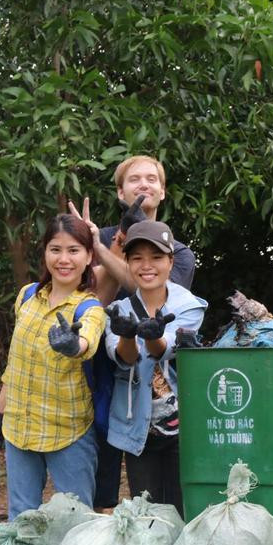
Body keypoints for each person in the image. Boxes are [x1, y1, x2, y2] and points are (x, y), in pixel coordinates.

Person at [67, 154, 197, 511]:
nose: (144, 184)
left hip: (159, 372)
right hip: (106, 361)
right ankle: (102, 521)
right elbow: (94, 300)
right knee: (104, 457)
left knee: (163, 464)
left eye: (152, 178)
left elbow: (149, 290)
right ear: (121, 192)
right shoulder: (101, 237)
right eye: (134, 179)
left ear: (164, 191)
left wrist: (105, 250)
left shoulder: (178, 252)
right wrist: (110, 242)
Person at [0, 213, 107, 519]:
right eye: (55, 249)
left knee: (75, 521)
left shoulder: (90, 308)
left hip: (68, 431)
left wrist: (74, 346)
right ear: (45, 253)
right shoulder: (27, 296)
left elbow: (87, 340)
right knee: (21, 518)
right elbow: (17, 363)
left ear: (89, 256)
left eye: (74, 250)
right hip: (19, 428)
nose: (64, 259)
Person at [102, 219, 206, 516]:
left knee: (180, 508)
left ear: (171, 261)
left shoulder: (188, 306)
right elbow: (123, 358)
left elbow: (168, 349)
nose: (147, 266)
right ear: (127, 262)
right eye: (137, 258)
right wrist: (126, 334)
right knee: (144, 509)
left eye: (156, 257)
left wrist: (154, 336)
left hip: (183, 425)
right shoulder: (119, 310)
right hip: (137, 427)